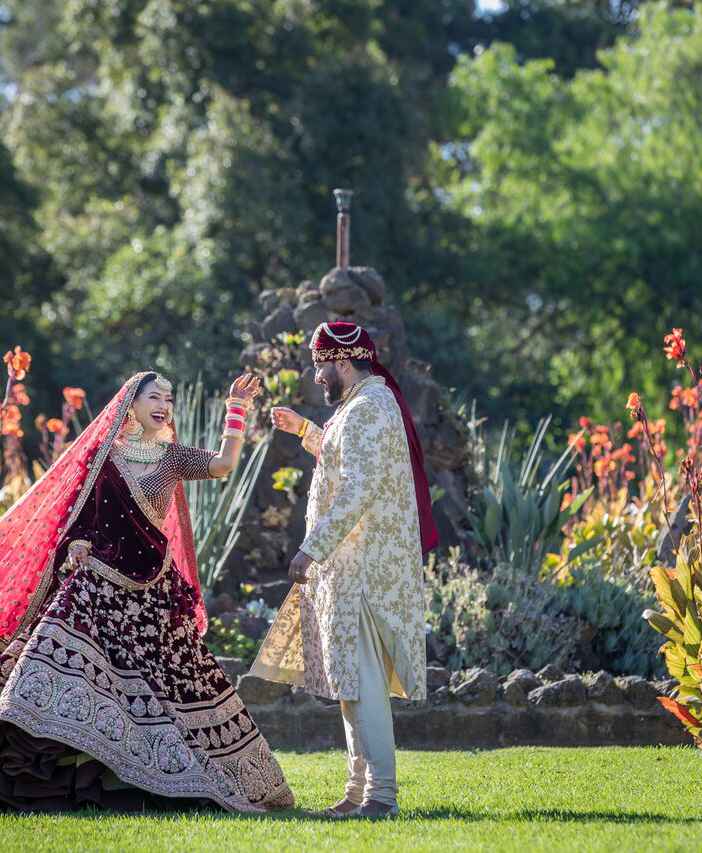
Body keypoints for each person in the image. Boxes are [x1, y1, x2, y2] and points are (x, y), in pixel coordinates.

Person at [0, 371, 293, 812]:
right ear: (130, 405)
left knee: (175, 686)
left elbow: (223, 465)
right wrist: (77, 543)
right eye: (153, 396)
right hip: (98, 583)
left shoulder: (172, 457)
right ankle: (64, 774)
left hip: (154, 593)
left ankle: (160, 781)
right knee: (55, 661)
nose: (164, 405)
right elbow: (82, 516)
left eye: (169, 399)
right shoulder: (104, 457)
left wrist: (237, 410)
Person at [251, 321, 438, 818]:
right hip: (352, 571)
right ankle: (359, 792)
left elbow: (356, 488)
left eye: (320, 366)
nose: (317, 377)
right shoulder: (362, 406)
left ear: (342, 360)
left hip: (366, 573)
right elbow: (344, 456)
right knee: (351, 686)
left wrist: (310, 549)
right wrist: (307, 432)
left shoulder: (371, 408)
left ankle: (381, 796)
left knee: (365, 686)